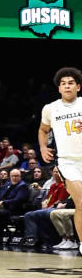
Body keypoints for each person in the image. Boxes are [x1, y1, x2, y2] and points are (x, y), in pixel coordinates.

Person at [39, 66, 82, 254]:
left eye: (71, 83)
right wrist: (42, 147)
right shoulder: (50, 108)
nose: (67, 86)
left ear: (78, 87)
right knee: (81, 202)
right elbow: (43, 130)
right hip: (68, 161)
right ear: (59, 88)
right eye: (63, 84)